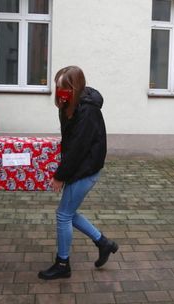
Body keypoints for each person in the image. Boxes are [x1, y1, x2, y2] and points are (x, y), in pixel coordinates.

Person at [38, 66, 118, 280]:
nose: (60, 91)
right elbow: (70, 141)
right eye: (58, 86)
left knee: (63, 215)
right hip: (79, 168)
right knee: (69, 213)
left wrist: (59, 176)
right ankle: (104, 243)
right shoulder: (68, 105)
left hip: (85, 169)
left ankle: (63, 263)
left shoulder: (87, 109)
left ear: (75, 87)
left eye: (64, 87)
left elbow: (78, 147)